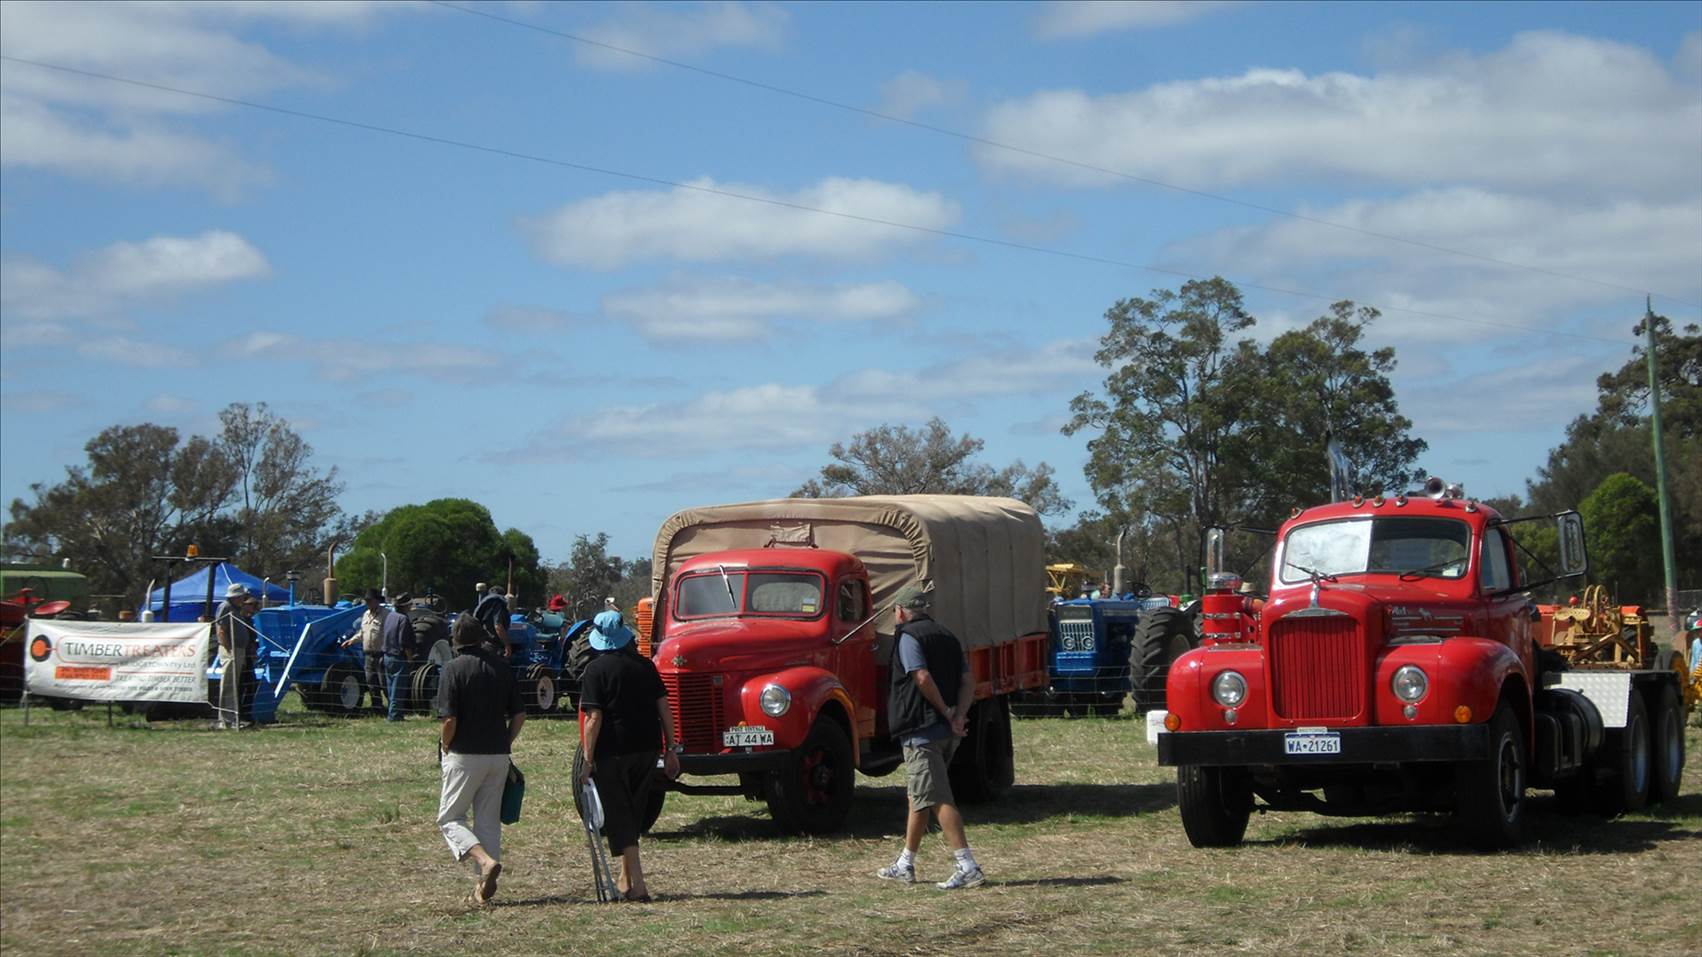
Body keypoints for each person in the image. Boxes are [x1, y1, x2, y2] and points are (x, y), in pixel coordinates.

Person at [875, 582, 984, 890]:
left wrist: (947, 712)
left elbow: (921, 677)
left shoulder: (908, 637)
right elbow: (968, 680)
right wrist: (959, 716)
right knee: (919, 796)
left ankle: (967, 865)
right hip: (946, 733)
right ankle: (905, 863)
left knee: (936, 797)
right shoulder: (947, 635)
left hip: (921, 732)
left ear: (900, 611)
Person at [578, 609, 680, 902]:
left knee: (620, 815)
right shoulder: (646, 666)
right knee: (631, 814)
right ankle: (625, 880)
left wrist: (587, 760)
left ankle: (639, 885)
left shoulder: (595, 671)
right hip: (647, 748)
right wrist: (671, 748)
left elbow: (593, 718)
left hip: (613, 752)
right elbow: (664, 708)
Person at [434, 614, 525, 905]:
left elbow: (449, 719)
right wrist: (506, 742)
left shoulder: (453, 668)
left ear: (455, 640)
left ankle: (485, 862)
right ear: (481, 636)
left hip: (464, 754)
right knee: (488, 822)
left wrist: (445, 745)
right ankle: (482, 886)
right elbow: (520, 714)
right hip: (498, 756)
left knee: (450, 818)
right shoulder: (501, 666)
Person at [341, 589, 388, 714]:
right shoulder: (366, 615)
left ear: (377, 601)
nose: (368, 603)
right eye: (366, 601)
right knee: (371, 682)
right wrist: (351, 641)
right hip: (367, 654)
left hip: (381, 654)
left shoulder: (386, 614)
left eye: (370, 601)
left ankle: (393, 707)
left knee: (384, 682)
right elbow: (362, 633)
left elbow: (389, 633)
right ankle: (377, 707)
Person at [213, 583, 251, 730]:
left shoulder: (236, 609)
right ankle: (225, 720)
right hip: (231, 650)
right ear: (236, 597)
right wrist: (229, 649)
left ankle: (232, 718)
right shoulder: (226, 607)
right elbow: (221, 629)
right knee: (228, 684)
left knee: (233, 685)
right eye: (242, 596)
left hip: (238, 649)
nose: (244, 598)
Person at [381, 593, 415, 721]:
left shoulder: (390, 616)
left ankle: (391, 713)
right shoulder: (403, 619)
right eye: (410, 604)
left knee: (390, 688)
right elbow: (404, 642)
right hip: (398, 657)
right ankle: (395, 716)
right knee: (398, 689)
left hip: (387, 655)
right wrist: (410, 658)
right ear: (405, 606)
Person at [473, 585, 512, 658]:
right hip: (493, 645)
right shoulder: (498, 603)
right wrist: (507, 645)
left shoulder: (484, 605)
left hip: (482, 642)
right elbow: (498, 626)